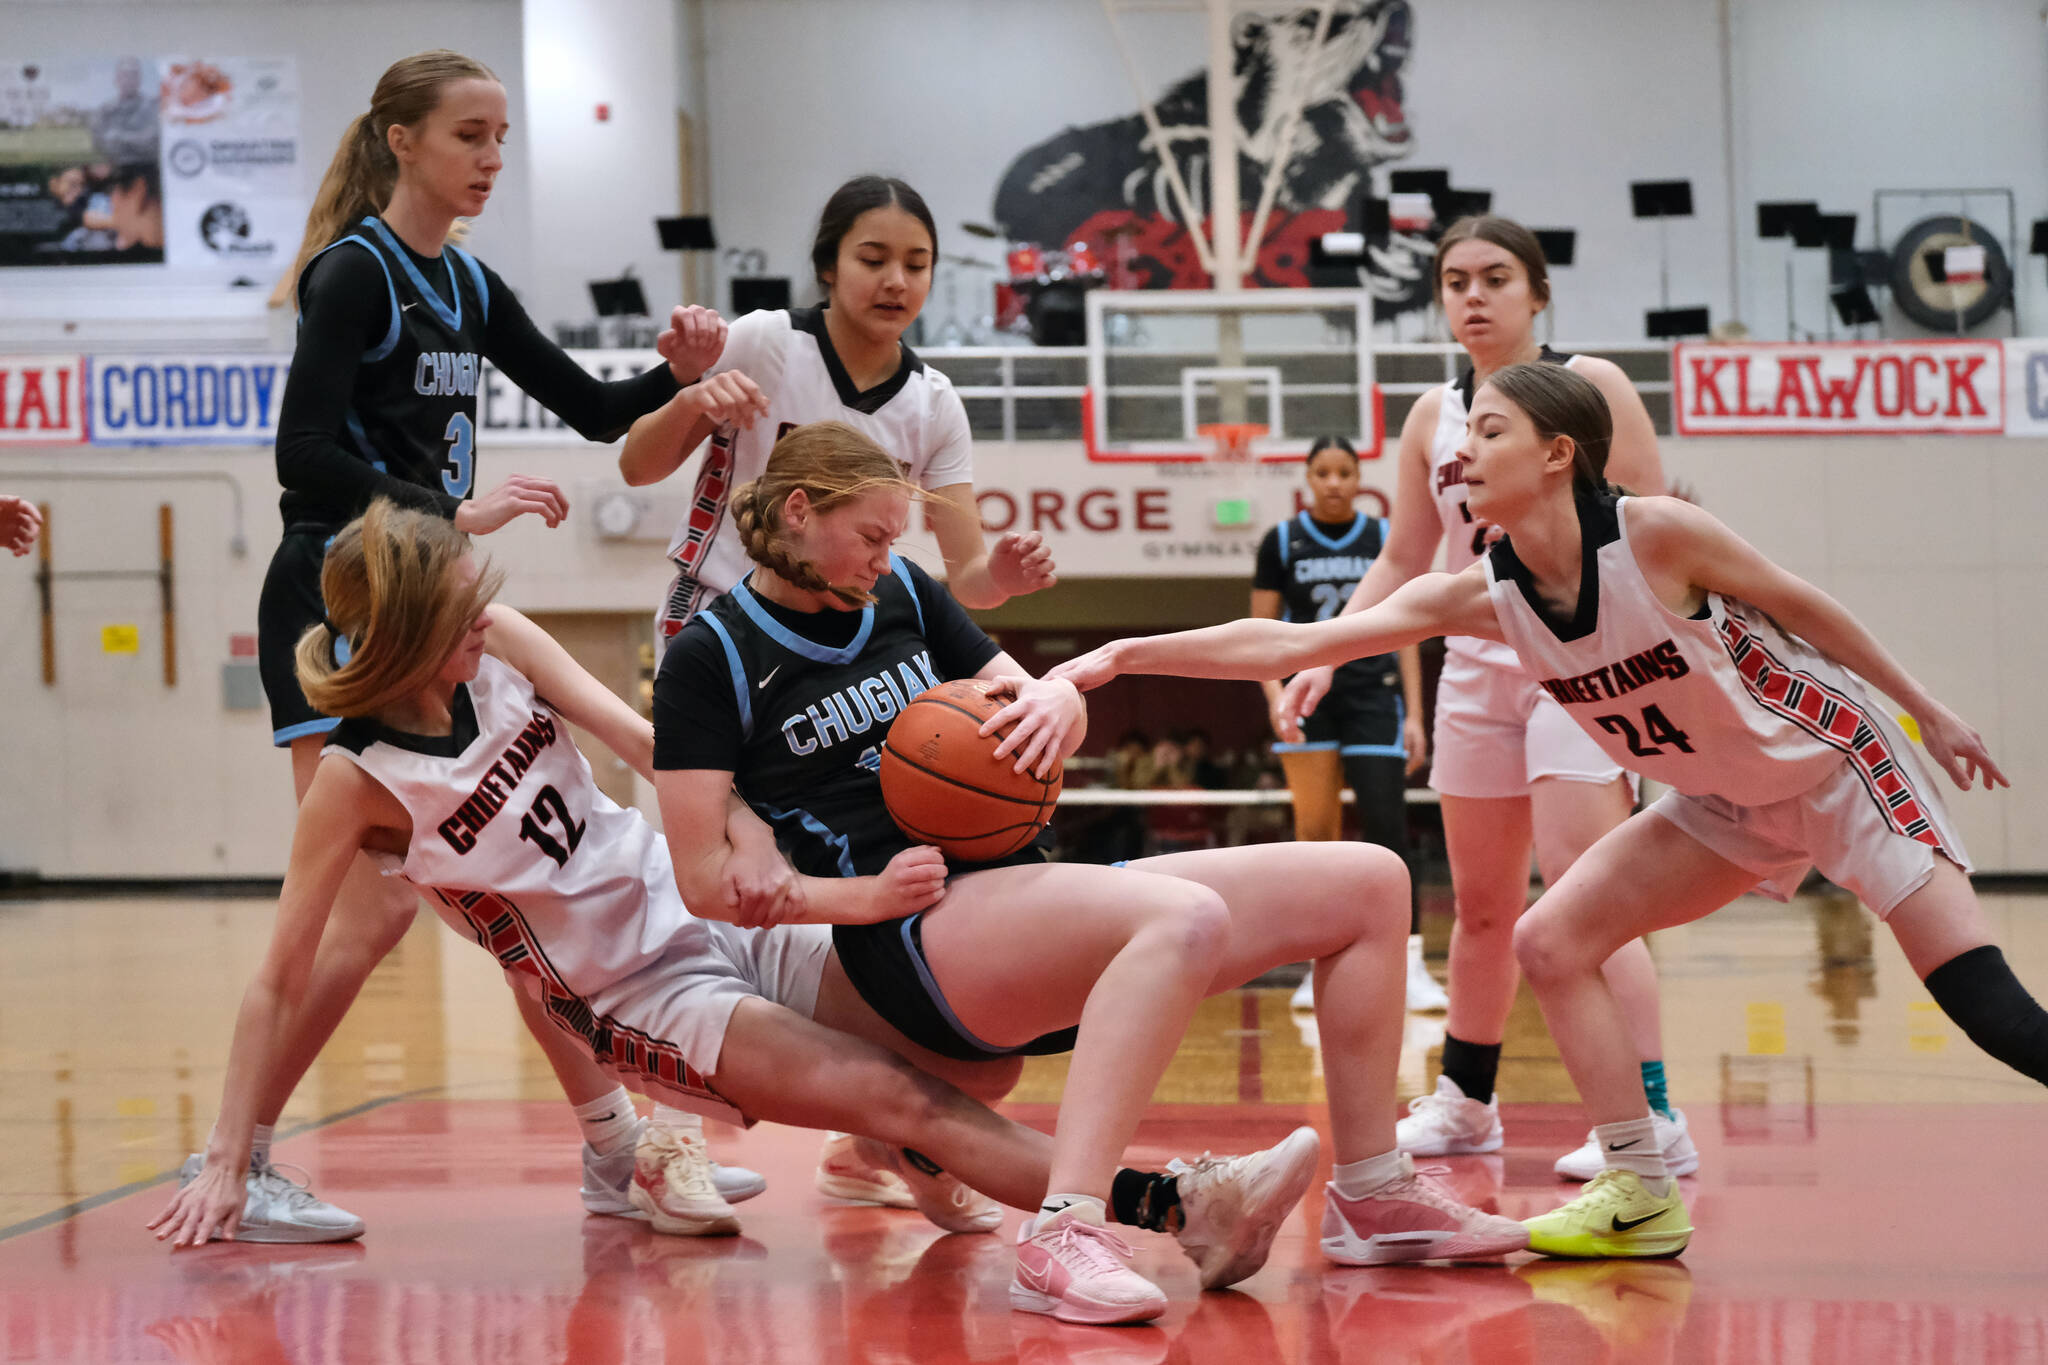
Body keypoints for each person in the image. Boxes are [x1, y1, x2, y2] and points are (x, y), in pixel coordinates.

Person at [150, 499, 1343, 1296]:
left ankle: (944, 1165)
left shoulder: (500, 641)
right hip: (637, 995)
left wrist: (761, 845)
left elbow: (643, 739)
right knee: (897, 1095)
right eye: (460, 611)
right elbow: (280, 974)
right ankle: (1177, 1206)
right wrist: (225, 1154)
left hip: (705, 910)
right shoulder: (356, 784)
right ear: (408, 628)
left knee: (952, 1056)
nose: (485, 616)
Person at [1048, 360, 2048, 1258]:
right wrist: (1119, 658)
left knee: (1983, 1006)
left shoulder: (1653, 536)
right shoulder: (1484, 594)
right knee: (1549, 940)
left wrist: (1929, 714)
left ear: (1556, 453)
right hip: (1717, 807)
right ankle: (1638, 1190)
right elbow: (1285, 646)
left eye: (1488, 433)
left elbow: (1807, 611)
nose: (1462, 452)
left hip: (1838, 772)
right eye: (1463, 433)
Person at [652, 421, 1527, 1324]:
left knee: (1371, 881)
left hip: (1019, 890)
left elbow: (1027, 692)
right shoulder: (708, 659)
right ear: (799, 511)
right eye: (872, 535)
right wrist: (864, 896)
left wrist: (1061, 705)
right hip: (910, 932)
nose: (888, 556)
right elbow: (707, 881)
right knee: (1181, 917)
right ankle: (1063, 1230)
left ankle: (1372, 1196)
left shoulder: (909, 592)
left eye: (894, 538)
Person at [216, 49, 749, 1244]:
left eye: (500, 139)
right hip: (338, 597)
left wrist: (680, 367)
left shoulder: (465, 282)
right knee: (373, 914)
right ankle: (242, 1160)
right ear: (401, 139)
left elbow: (596, 408)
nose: (490, 160)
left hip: (424, 595)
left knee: (505, 879)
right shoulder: (354, 274)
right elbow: (302, 458)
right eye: (469, 136)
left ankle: (616, 1147)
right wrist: (447, 511)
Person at [618, 174, 1059, 1206]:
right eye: (873, 257)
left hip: (835, 666)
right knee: (699, 911)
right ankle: (669, 1138)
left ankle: (879, 1142)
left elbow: (963, 569)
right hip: (721, 650)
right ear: (827, 266)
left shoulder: (932, 402)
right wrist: (689, 397)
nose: (894, 278)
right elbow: (640, 463)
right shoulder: (768, 344)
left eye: (915, 262)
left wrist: (1009, 577)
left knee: (850, 920)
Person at [1278, 216, 1688, 1182]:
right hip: (1472, 669)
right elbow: (1401, 557)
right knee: (1482, 903)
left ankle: (1655, 1111)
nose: (1472, 295)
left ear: (1536, 292)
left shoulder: (1593, 385)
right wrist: (1325, 652)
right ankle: (1467, 1099)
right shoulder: (1431, 415)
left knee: (1589, 888)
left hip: (1583, 664)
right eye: (1454, 279)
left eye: (1495, 277)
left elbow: (1652, 525)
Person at [1251, 434, 1440, 1014]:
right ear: (1308, 478)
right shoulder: (1281, 542)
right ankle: (1319, 966)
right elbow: (1260, 633)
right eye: (1323, 472)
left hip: (1373, 696)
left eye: (1344, 472)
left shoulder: (1385, 539)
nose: (1334, 482)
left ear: (1360, 479)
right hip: (1309, 695)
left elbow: (1405, 630)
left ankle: (1412, 966)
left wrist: (1415, 715)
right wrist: (1275, 699)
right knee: (1315, 836)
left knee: (1389, 831)